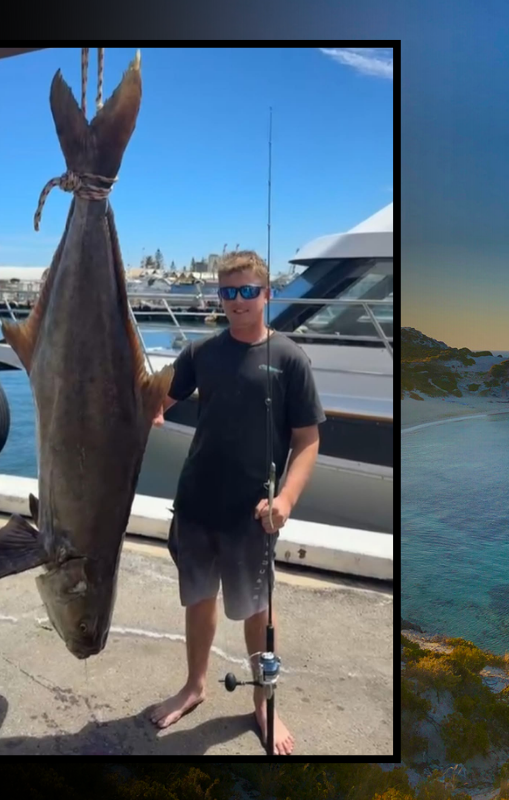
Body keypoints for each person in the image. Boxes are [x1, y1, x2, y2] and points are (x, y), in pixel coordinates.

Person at [146, 250, 324, 755]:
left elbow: (308, 439)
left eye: (249, 291)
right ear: (218, 298)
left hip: (254, 515)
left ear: (268, 295)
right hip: (196, 501)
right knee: (197, 600)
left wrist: (285, 499)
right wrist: (149, 410)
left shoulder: (290, 358)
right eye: (229, 292)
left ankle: (265, 700)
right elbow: (159, 399)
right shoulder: (202, 352)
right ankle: (195, 686)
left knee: (258, 611)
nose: (239, 301)